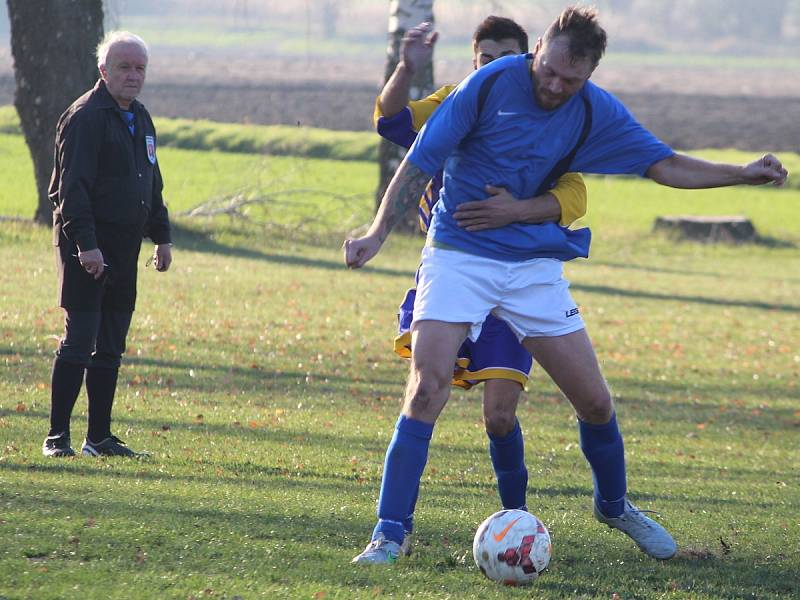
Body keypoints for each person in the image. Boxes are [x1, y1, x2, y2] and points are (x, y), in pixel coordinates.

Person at [344, 6, 788, 564]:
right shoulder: (487, 86)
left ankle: (614, 504)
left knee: (596, 402)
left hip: (531, 270)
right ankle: (390, 532)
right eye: (548, 71)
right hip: (458, 254)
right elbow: (419, 158)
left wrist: (740, 172)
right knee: (427, 386)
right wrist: (377, 232)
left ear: (590, 75)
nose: (554, 86)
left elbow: (664, 165)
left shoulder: (594, 112)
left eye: (569, 80)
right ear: (538, 52)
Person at [371, 16, 588, 553]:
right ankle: (390, 532)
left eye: (505, 57)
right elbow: (392, 121)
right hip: (453, 271)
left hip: (513, 284)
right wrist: (405, 68)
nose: (494, 67)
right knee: (424, 392)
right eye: (484, 57)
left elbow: (576, 196)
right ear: (473, 61)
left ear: (528, 62)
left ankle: (518, 520)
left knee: (499, 414)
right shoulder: (455, 101)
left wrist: (519, 209)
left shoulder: (552, 118)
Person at [43, 31, 172, 458]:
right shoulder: (84, 117)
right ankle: (56, 437)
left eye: (140, 68)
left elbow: (150, 183)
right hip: (86, 250)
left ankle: (98, 437)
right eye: (124, 67)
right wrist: (86, 246)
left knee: (110, 346)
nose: (133, 76)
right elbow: (69, 191)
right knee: (79, 340)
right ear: (104, 70)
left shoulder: (141, 118)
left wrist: (163, 237)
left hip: (124, 251)